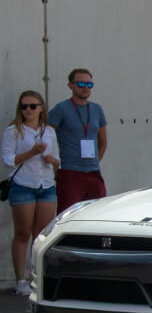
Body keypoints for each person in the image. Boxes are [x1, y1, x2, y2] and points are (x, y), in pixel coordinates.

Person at [3, 91, 60, 295]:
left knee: (42, 236)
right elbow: (8, 160)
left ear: (41, 108)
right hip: (23, 185)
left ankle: (39, 276)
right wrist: (32, 153)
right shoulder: (13, 131)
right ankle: (21, 280)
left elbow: (57, 160)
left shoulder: (49, 132)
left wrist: (52, 161)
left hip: (46, 186)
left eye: (32, 106)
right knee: (22, 233)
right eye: (24, 106)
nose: (28, 110)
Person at [48, 68, 107, 212]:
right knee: (68, 214)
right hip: (70, 172)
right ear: (70, 86)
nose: (85, 88)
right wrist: (54, 161)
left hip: (93, 171)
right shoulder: (61, 109)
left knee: (96, 213)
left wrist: (94, 161)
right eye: (80, 84)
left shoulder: (96, 109)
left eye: (89, 84)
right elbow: (46, 134)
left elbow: (103, 141)